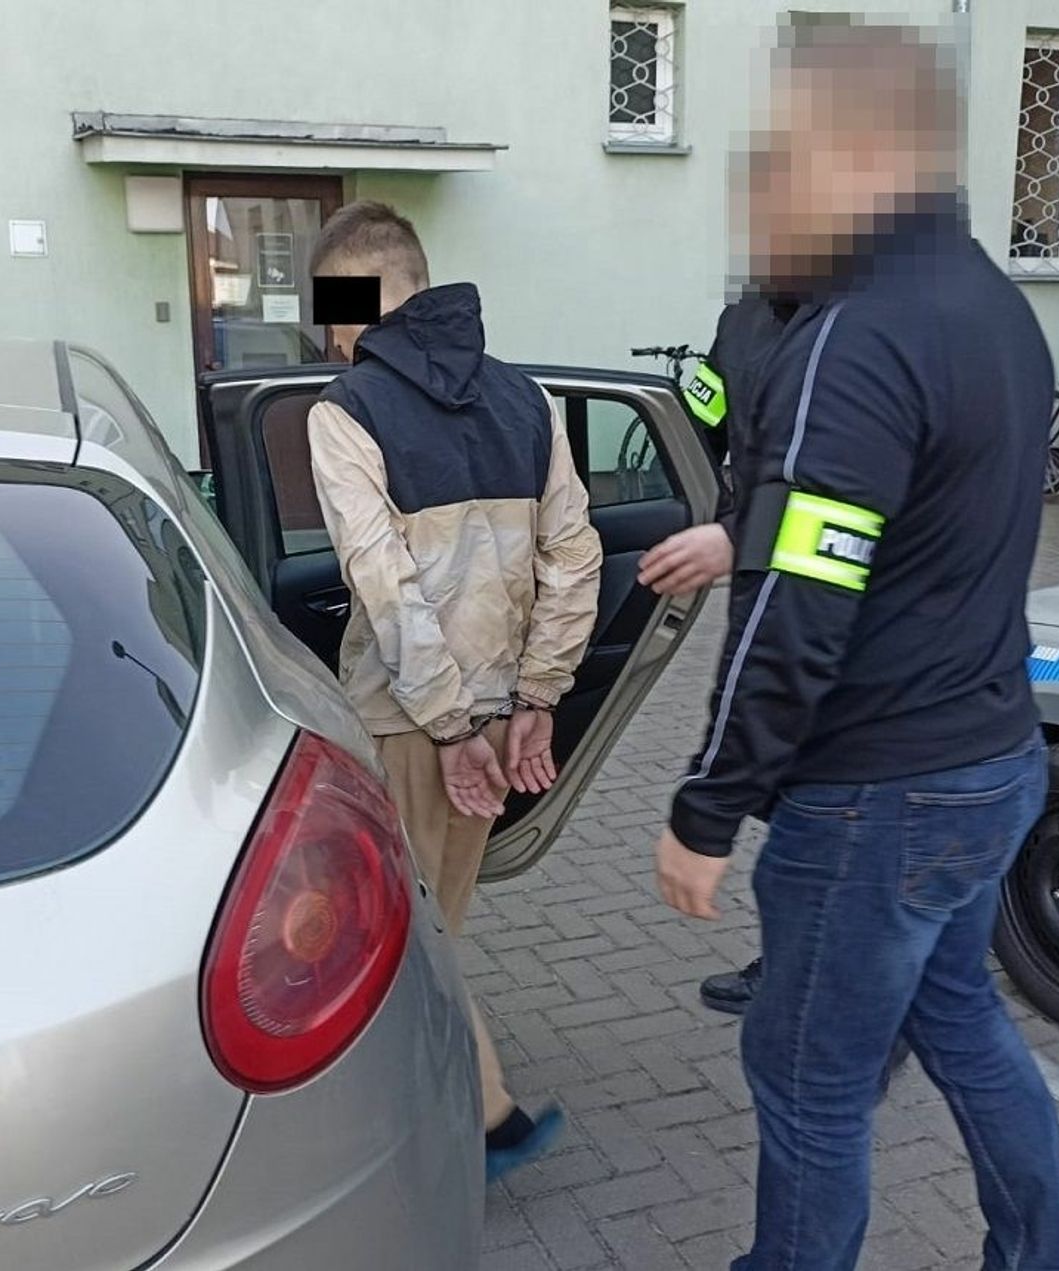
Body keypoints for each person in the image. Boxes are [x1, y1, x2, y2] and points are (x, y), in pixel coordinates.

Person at [652, 23, 1059, 1271]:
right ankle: (1050, 1252)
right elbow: (909, 525)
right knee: (962, 1020)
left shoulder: (854, 337)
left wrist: (706, 807)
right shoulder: (993, 304)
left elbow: (797, 607)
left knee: (806, 1076)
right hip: (990, 759)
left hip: (876, 795)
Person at [304, 201, 603, 1182]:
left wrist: (446, 725)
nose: (330, 337)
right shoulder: (527, 400)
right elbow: (574, 559)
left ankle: (475, 1115)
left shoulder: (344, 412)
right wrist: (534, 699)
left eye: (332, 310)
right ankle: (452, 1107)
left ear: (362, 295)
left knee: (402, 932)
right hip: (489, 722)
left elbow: (386, 588)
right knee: (432, 923)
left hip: (410, 724)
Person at [638, 296, 791, 1017]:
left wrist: (741, 535)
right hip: (764, 578)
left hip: (824, 583)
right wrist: (681, 505)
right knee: (795, 791)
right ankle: (796, 956)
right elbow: (699, 425)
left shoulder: (857, 324)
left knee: (811, 791)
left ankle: (802, 967)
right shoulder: (742, 324)